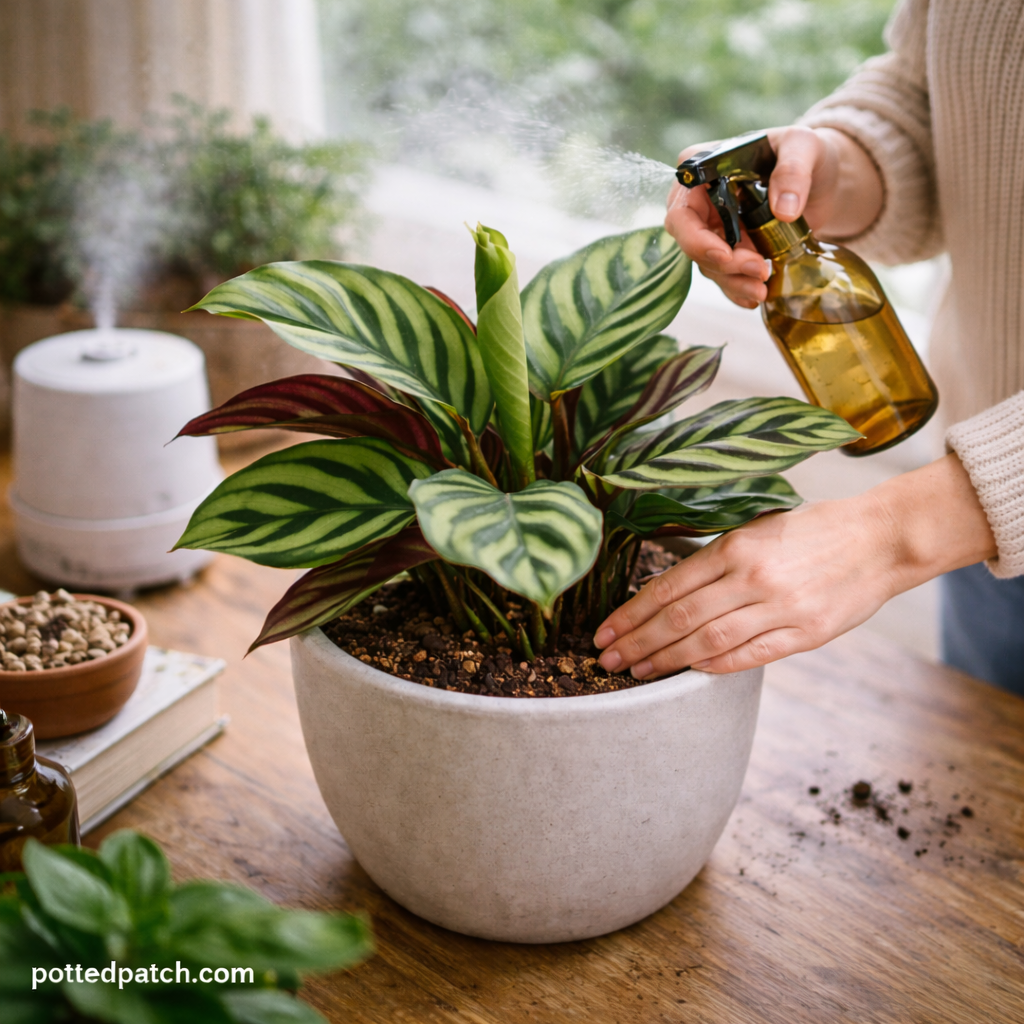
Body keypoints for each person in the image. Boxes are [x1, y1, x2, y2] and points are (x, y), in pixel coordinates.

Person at [594, 0, 1024, 694]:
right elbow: (943, 94)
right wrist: (830, 172)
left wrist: (895, 536)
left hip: (975, 506)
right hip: (990, 534)